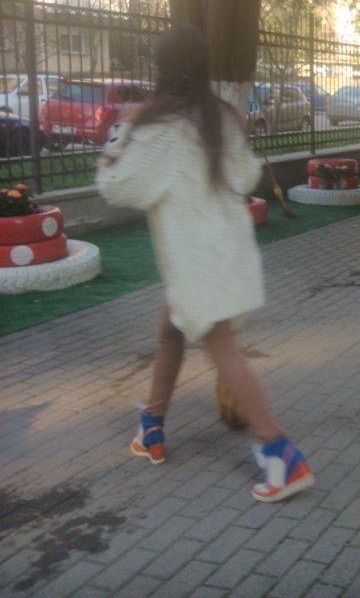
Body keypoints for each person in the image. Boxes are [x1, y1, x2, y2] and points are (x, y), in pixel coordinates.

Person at [95, 25, 314, 503]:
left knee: (223, 348)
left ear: (162, 68)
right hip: (227, 252)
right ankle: (151, 428)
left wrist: (120, 132)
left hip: (197, 263)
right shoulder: (221, 118)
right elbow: (248, 175)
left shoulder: (159, 128)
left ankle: (281, 454)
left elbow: (117, 187)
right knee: (171, 329)